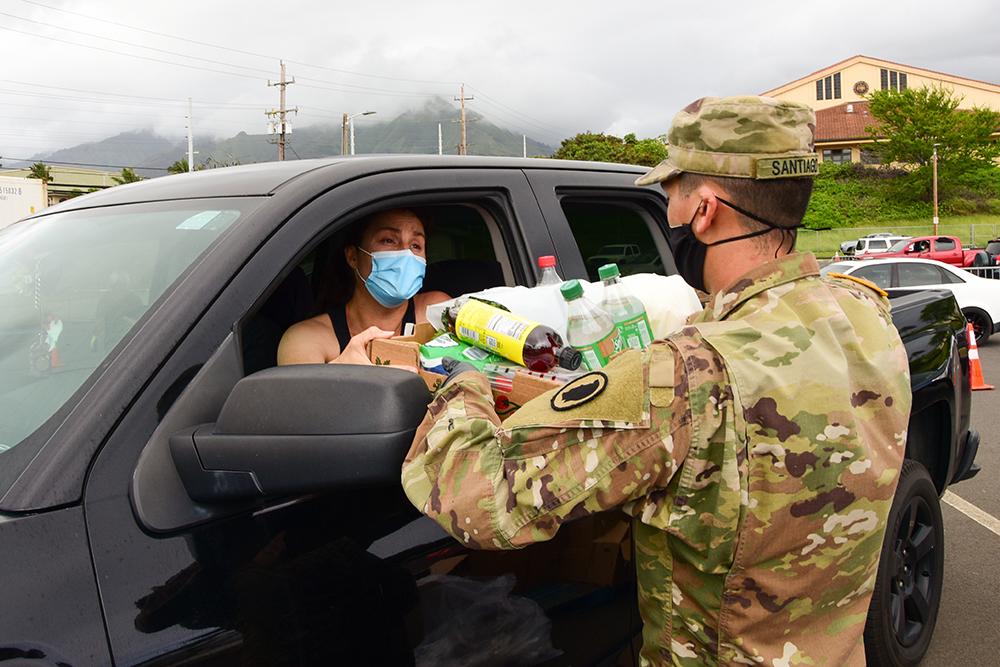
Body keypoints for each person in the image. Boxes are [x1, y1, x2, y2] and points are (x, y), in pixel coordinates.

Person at [401, 96, 911, 666]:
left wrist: (462, 384)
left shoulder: (686, 374)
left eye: (670, 193)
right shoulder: (866, 314)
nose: (667, 211)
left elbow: (479, 499)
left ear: (705, 208)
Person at [277, 208, 449, 366]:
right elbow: (301, 398)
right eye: (388, 240)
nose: (406, 253)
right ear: (353, 257)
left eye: (415, 245)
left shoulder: (437, 312)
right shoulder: (306, 338)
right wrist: (339, 374)